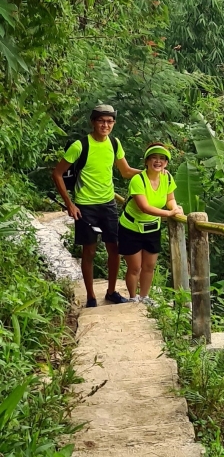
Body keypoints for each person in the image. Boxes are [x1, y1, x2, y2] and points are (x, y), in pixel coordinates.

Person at [52, 104, 142, 307]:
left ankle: (111, 292)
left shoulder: (114, 143)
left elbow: (125, 171)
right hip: (85, 206)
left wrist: (150, 173)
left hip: (108, 203)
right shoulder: (80, 145)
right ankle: (91, 297)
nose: (105, 125)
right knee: (89, 251)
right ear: (93, 122)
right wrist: (70, 204)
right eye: (101, 120)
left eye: (109, 121)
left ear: (114, 124)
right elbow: (57, 173)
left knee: (114, 248)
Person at [118, 143, 182, 304]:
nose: (158, 161)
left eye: (162, 158)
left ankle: (145, 297)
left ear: (166, 163)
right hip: (131, 227)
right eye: (154, 157)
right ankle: (133, 298)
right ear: (146, 161)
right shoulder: (138, 180)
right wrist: (169, 214)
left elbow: (170, 198)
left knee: (149, 265)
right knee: (135, 267)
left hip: (152, 227)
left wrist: (175, 208)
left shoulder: (167, 178)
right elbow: (144, 207)